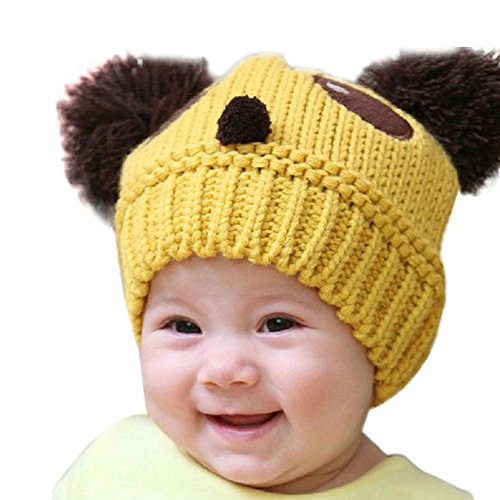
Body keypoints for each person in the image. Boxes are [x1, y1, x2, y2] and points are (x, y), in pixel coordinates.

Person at [53, 49, 499, 498]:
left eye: (278, 323)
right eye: (183, 326)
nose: (224, 370)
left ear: (387, 338)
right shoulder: (113, 469)